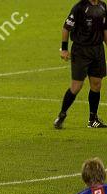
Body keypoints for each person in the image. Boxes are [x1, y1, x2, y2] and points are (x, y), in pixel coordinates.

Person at [54, 0, 107, 129]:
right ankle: (62, 114)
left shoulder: (103, 6)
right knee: (76, 86)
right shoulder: (79, 7)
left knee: (96, 84)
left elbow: (105, 29)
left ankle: (93, 119)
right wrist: (64, 49)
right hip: (81, 50)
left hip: (97, 50)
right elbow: (66, 27)